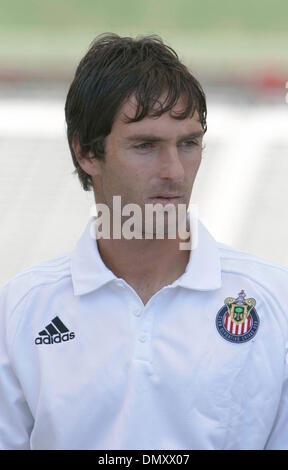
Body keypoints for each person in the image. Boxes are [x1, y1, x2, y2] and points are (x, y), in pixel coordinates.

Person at [0, 32, 287, 451]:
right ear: (86, 153)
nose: (174, 170)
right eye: (146, 145)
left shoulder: (277, 300)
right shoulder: (20, 310)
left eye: (188, 144)